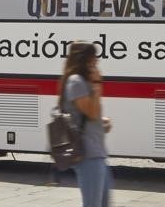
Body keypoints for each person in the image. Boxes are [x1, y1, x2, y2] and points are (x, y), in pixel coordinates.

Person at [59, 41, 113, 206]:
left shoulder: (83, 81)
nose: (96, 60)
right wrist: (97, 85)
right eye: (93, 57)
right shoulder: (76, 81)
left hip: (97, 153)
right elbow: (92, 112)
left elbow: (90, 115)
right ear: (84, 59)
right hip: (88, 155)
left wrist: (101, 122)